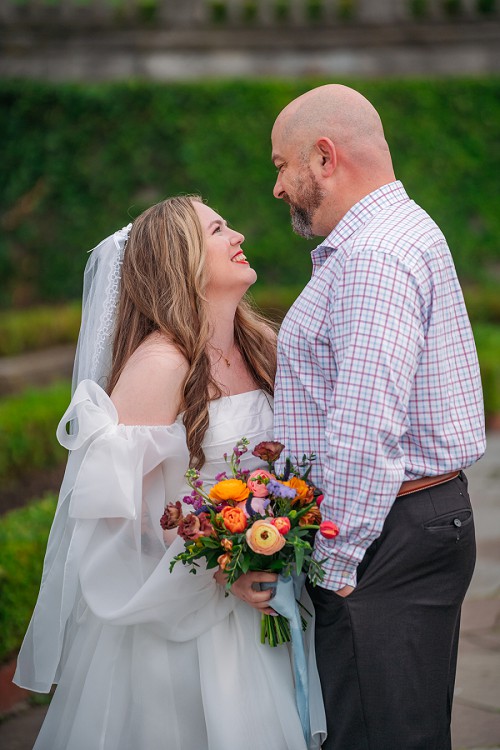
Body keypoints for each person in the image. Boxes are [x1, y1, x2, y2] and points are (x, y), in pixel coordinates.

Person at [14, 196, 326, 750]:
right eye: (218, 229)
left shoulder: (263, 345)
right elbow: (118, 515)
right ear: (181, 259)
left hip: (268, 595)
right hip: (190, 620)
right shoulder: (161, 364)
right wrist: (224, 562)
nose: (237, 235)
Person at [236, 84, 486, 749]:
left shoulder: (372, 257)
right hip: (406, 525)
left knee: (378, 735)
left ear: (323, 157)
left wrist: (335, 563)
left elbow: (364, 431)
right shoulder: (391, 234)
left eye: (280, 165)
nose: (277, 187)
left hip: (384, 539)